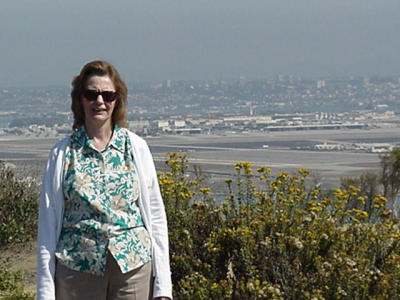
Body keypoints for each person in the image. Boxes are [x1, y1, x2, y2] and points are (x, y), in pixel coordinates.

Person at [37, 60, 172, 300]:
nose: (100, 102)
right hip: (77, 271)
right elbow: (48, 226)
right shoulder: (63, 153)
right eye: (91, 94)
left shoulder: (136, 148)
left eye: (107, 95)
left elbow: (156, 217)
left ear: (117, 100)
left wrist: (163, 287)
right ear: (80, 99)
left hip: (133, 269)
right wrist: (45, 292)